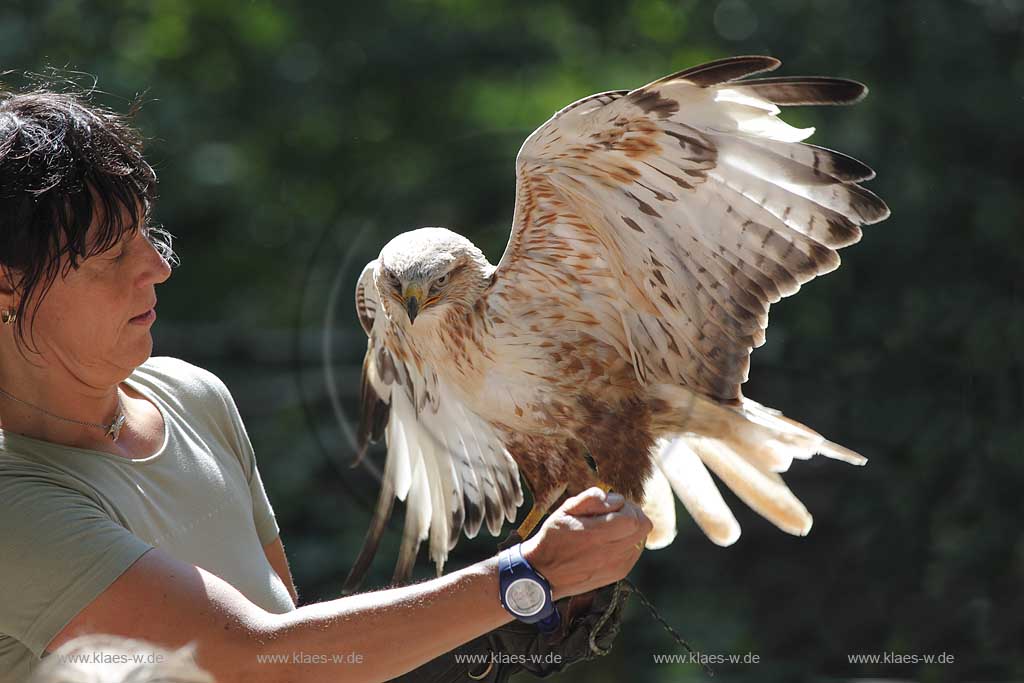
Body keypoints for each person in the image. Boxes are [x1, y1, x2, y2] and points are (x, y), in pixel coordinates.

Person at [0, 86, 652, 682]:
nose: (159, 266)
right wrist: (522, 578)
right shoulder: (15, 502)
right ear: (8, 283)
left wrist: (526, 597)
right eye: (115, 251)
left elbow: (303, 654)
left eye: (150, 232)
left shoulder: (193, 397)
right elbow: (258, 659)